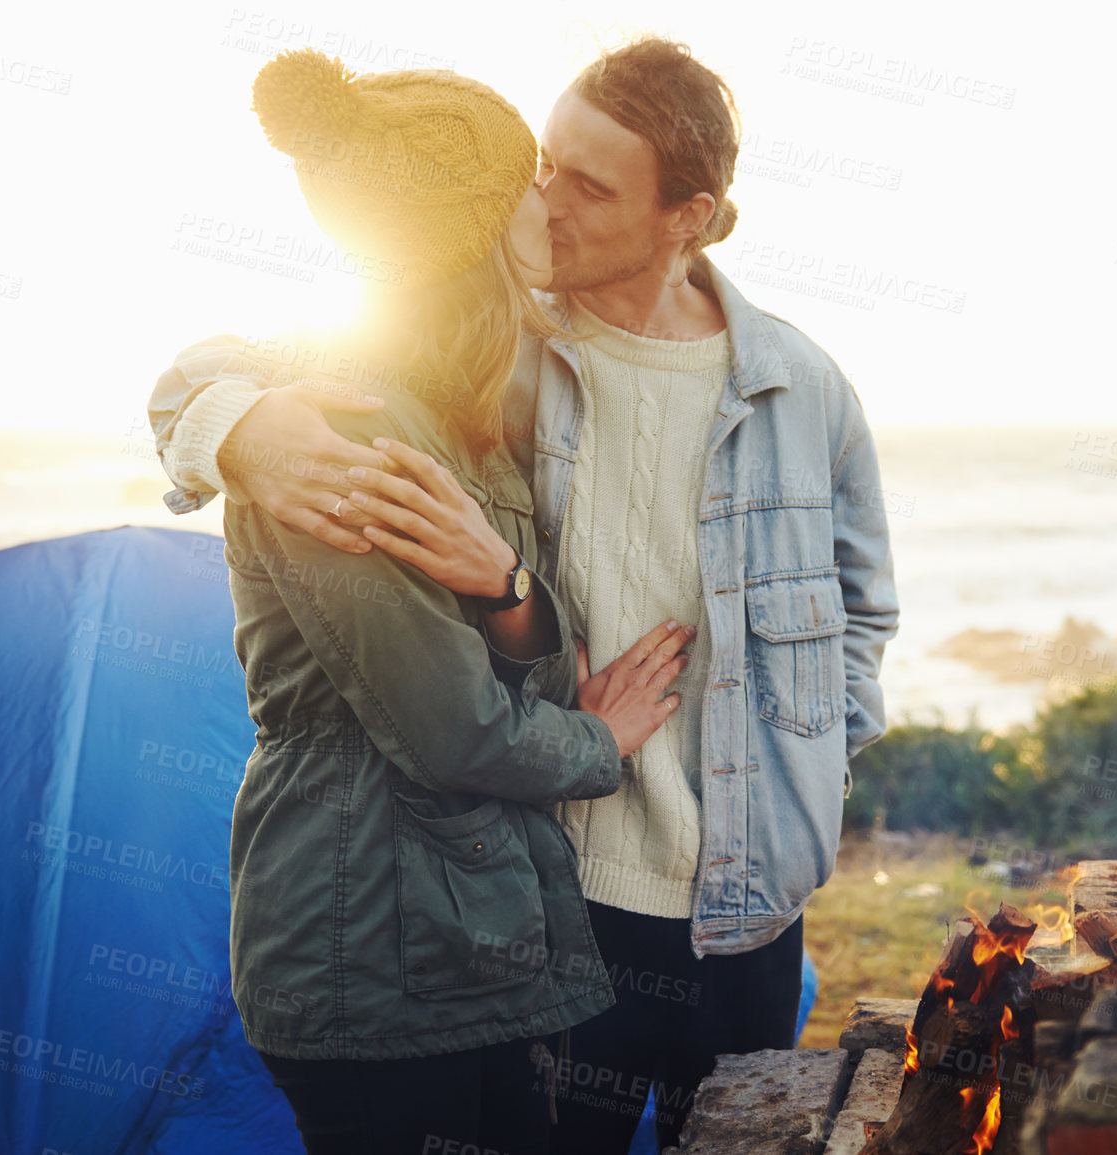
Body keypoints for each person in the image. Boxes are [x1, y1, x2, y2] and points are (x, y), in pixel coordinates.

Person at [150, 38, 899, 1154]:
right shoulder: (501, 359)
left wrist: (820, 763)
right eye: (544, 165)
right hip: (557, 891)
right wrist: (237, 426)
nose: (546, 201)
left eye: (589, 186)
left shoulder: (798, 383)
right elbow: (218, 367)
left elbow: (864, 610)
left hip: (741, 909)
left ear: (685, 215)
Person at [195, 48, 694, 1154]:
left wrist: (508, 590)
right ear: (466, 231)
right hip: (376, 957)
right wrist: (599, 743)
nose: (548, 198)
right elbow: (456, 730)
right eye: (529, 178)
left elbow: (523, 674)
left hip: (460, 946)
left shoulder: (463, 414)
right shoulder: (356, 435)